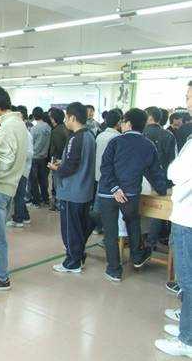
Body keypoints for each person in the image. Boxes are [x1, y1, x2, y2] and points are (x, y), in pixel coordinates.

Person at [99, 108, 167, 282]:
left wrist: (115, 188)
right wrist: (162, 190)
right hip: (130, 193)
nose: (121, 124)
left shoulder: (115, 142)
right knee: (133, 221)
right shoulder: (148, 145)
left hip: (108, 193)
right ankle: (137, 256)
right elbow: (155, 172)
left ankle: (114, 270)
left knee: (110, 232)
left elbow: (105, 167)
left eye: (123, 122)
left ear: (128, 123)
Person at [155, 81, 192, 358]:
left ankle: (187, 339)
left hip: (188, 217)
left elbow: (176, 172)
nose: (187, 101)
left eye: (190, 96)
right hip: (186, 213)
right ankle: (186, 321)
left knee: (187, 278)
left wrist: (174, 167)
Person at [0, 86, 28, 290]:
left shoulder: (8, 126)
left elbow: (3, 161)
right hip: (10, 185)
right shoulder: (18, 123)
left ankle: (2, 278)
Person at [48, 102, 96, 273]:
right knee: (79, 227)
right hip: (84, 190)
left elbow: (70, 167)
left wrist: (56, 168)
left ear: (73, 118)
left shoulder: (76, 138)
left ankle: (72, 262)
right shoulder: (90, 135)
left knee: (70, 229)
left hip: (72, 191)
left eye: (67, 117)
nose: (65, 121)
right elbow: (78, 161)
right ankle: (79, 257)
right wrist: (64, 163)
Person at [144, 106, 177, 250]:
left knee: (139, 209)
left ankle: (135, 241)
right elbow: (173, 161)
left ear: (150, 117)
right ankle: (151, 242)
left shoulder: (140, 133)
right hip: (160, 180)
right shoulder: (168, 135)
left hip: (140, 179)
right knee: (156, 211)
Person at [90, 109, 121, 233]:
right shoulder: (118, 137)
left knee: (98, 200)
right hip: (110, 176)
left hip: (98, 174)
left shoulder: (100, 136)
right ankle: (101, 227)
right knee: (107, 205)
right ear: (118, 123)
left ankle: (97, 227)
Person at [8, 106, 33, 228]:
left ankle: (18, 219)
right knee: (19, 194)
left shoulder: (25, 133)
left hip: (21, 169)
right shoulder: (21, 131)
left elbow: (29, 153)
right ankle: (25, 216)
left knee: (18, 195)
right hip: (20, 169)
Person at [29, 107, 51, 207]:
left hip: (34, 158)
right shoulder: (48, 127)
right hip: (44, 157)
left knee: (34, 181)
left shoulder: (34, 129)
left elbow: (30, 144)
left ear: (34, 116)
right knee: (43, 180)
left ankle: (36, 201)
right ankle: (46, 199)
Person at [48, 108, 70, 211]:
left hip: (57, 161)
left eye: (51, 117)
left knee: (57, 183)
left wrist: (54, 160)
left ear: (54, 118)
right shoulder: (65, 128)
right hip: (63, 160)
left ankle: (58, 204)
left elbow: (58, 148)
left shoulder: (56, 131)